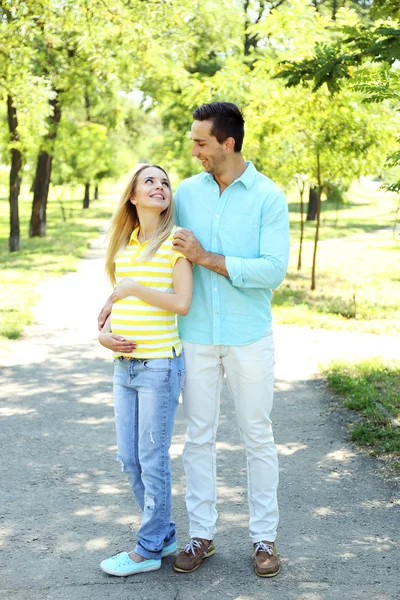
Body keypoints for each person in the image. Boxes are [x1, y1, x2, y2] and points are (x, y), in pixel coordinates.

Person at [170, 102, 290, 577]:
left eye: (200, 142)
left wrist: (205, 256)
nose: (194, 149)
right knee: (198, 438)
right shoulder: (185, 192)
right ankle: (202, 535)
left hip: (247, 336)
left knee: (257, 436)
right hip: (196, 333)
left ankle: (264, 539)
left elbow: (272, 270)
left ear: (228, 143)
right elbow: (157, 251)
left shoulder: (268, 196)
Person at [97, 164, 193, 577]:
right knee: (129, 458)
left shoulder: (177, 243)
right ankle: (164, 533)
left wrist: (133, 287)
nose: (160, 187)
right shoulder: (123, 246)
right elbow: (119, 308)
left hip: (159, 366)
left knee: (152, 458)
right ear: (133, 197)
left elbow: (181, 304)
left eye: (165, 182)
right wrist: (105, 337)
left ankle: (149, 548)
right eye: (149, 181)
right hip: (125, 367)